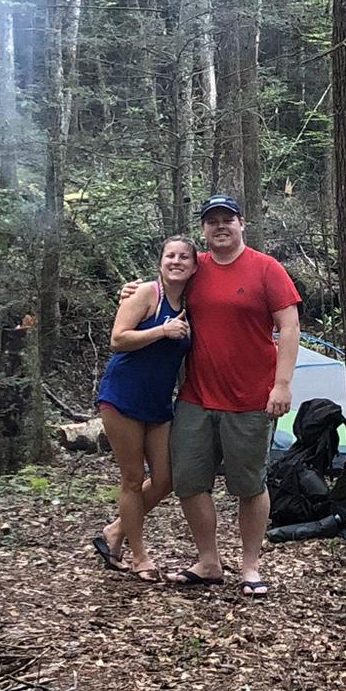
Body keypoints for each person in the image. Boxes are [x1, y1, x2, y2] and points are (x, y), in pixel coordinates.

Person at [164, 195, 300, 599]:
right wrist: (130, 291)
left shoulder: (265, 268)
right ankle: (208, 561)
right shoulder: (195, 267)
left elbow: (289, 326)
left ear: (242, 224)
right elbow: (163, 286)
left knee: (249, 485)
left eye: (228, 219)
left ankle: (250, 566)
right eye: (212, 221)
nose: (220, 226)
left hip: (251, 398)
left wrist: (282, 384)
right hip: (195, 397)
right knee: (189, 481)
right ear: (203, 230)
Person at [91, 236, 196, 580]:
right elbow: (118, 338)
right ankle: (139, 556)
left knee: (165, 479)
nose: (176, 261)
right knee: (133, 478)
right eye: (170, 256)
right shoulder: (146, 293)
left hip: (158, 402)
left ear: (194, 266)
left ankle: (115, 531)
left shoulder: (192, 304)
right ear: (160, 262)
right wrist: (162, 330)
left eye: (184, 257)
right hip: (123, 395)